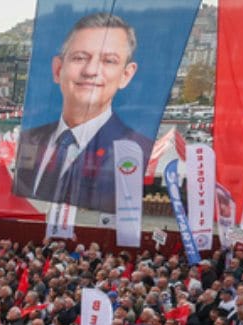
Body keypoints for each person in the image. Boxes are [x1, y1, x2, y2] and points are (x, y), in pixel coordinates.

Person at [13, 12, 154, 212]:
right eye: (79, 58)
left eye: (109, 61)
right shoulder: (29, 139)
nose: (91, 70)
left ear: (126, 75)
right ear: (58, 69)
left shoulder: (136, 150)